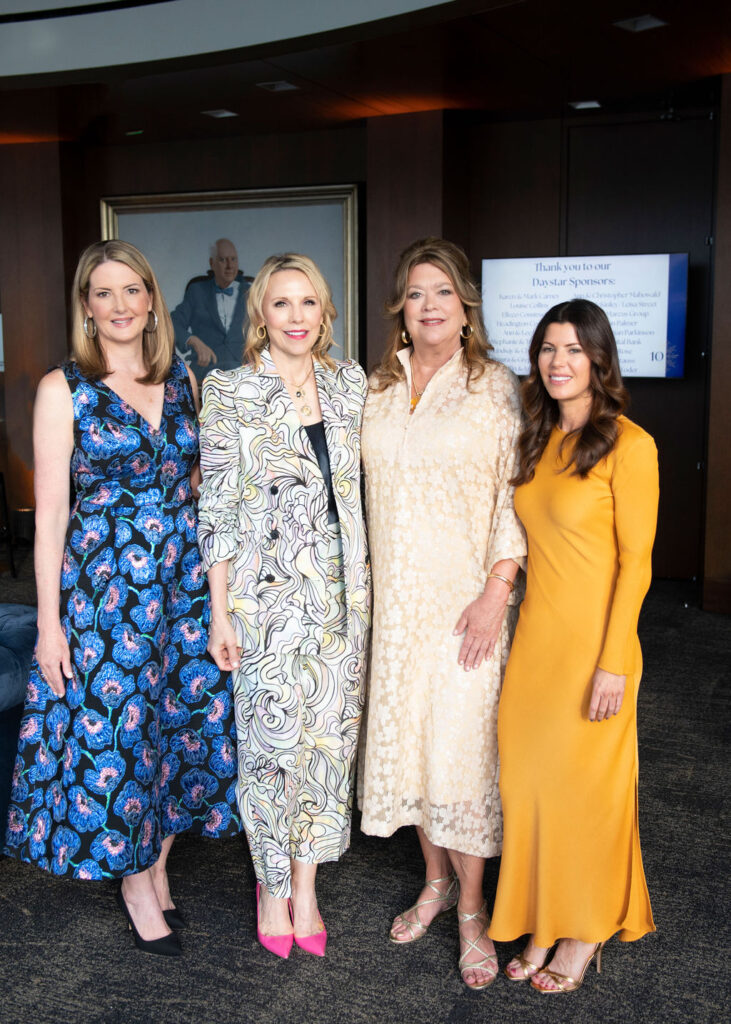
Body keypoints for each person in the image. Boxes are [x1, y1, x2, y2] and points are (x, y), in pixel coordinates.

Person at [4, 240, 240, 957]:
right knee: (123, 736)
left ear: (151, 299)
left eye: (131, 290)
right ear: (85, 307)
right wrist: (49, 625)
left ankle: (158, 868)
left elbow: (197, 483)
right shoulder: (62, 388)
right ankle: (137, 886)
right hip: (108, 597)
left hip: (182, 588)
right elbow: (51, 517)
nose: (119, 306)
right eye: (102, 294)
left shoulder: (180, 382)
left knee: (176, 728)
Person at [358, 237, 527, 990]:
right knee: (417, 749)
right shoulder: (378, 387)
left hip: (466, 606)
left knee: (463, 756)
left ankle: (470, 908)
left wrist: (498, 591)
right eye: (416, 293)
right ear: (401, 306)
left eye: (442, 292)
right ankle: (432, 881)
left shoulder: (494, 387)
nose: (429, 305)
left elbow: (511, 497)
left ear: (465, 306)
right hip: (394, 610)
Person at [197, 253, 370, 960]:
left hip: (340, 600)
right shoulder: (230, 390)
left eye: (308, 303)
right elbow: (216, 509)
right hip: (263, 604)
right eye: (281, 304)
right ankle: (270, 885)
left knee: (327, 748)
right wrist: (219, 612)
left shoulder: (350, 384)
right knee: (270, 752)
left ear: (324, 312)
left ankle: (307, 885)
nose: (296, 317)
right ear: (259, 314)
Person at [489, 299, 659, 993]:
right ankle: (543, 916)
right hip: (536, 642)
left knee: (589, 792)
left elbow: (637, 563)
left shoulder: (630, 444)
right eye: (547, 349)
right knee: (530, 786)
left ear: (598, 360)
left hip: (597, 647)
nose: (558, 363)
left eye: (573, 350)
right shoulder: (536, 437)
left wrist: (614, 661)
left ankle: (584, 927)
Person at [171, 238, 249, 383]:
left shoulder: (251, 293)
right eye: (223, 260)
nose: (229, 266)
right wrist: (192, 340)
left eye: (233, 259)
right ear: (212, 263)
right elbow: (172, 323)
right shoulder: (197, 291)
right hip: (205, 373)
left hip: (244, 373)